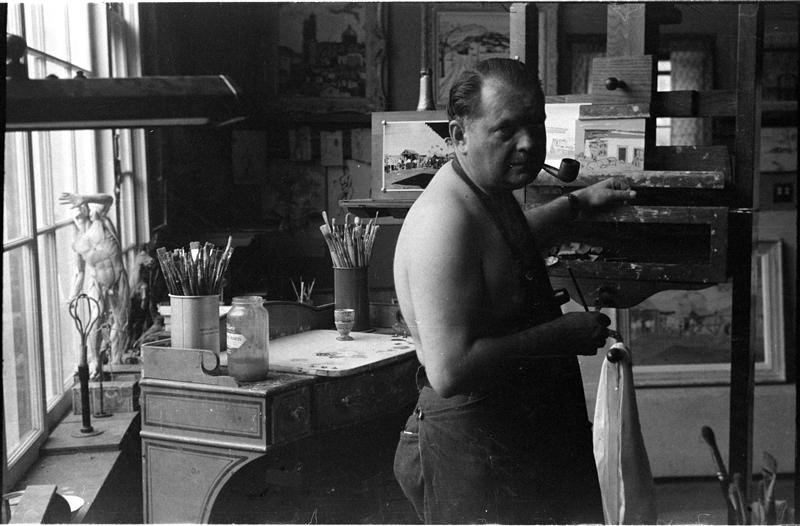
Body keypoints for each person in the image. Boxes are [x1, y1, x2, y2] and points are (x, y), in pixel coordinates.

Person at [392, 58, 636, 524]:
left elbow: (502, 244)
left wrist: (576, 203)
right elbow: (449, 370)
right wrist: (561, 335)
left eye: (535, 125)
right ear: (459, 135)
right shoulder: (442, 223)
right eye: (506, 130)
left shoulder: (485, 189)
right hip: (475, 449)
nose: (528, 143)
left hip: (516, 434)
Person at [60, 192, 130, 370]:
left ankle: (116, 360)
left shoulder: (100, 221)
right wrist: (72, 295)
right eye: (75, 213)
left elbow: (109, 199)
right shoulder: (78, 242)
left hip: (118, 277)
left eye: (80, 208)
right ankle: (95, 362)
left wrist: (85, 198)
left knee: (121, 322)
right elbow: (79, 272)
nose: (78, 214)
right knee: (95, 318)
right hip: (98, 281)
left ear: (85, 209)